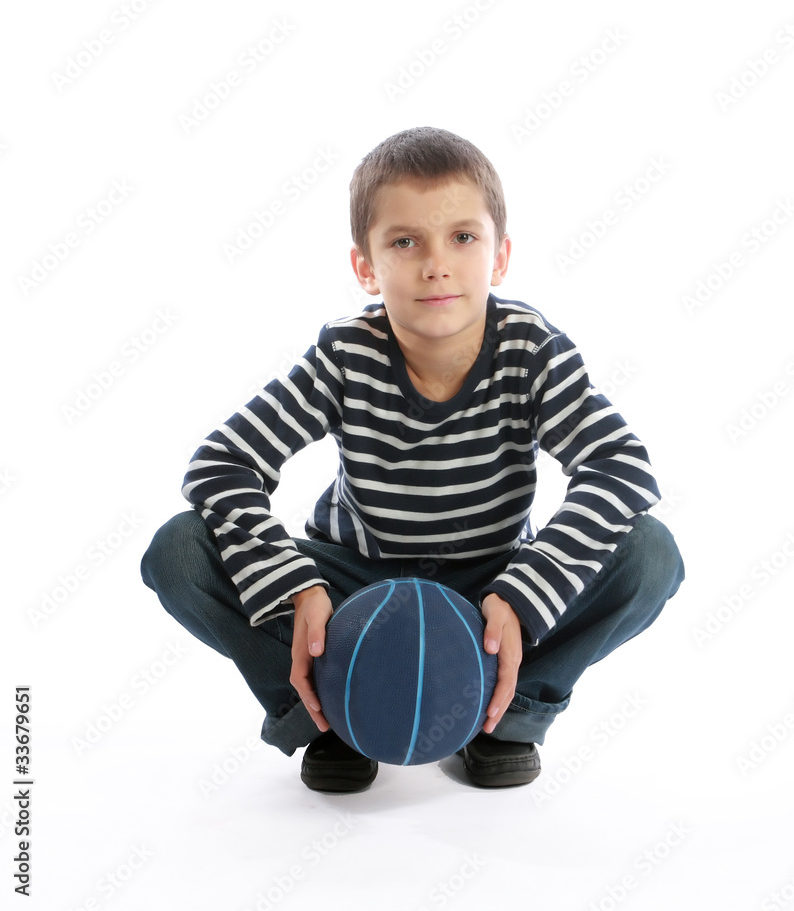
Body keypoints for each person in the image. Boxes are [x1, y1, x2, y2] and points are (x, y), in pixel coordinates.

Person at [141, 126, 685, 794]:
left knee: (650, 553)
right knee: (179, 550)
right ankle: (329, 715)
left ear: (501, 255)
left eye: (463, 237)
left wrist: (523, 590)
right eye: (405, 242)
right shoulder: (347, 355)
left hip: (491, 586)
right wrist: (295, 585)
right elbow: (220, 465)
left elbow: (622, 470)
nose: (437, 264)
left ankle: (505, 715)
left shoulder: (532, 351)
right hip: (359, 580)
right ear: (365, 266)